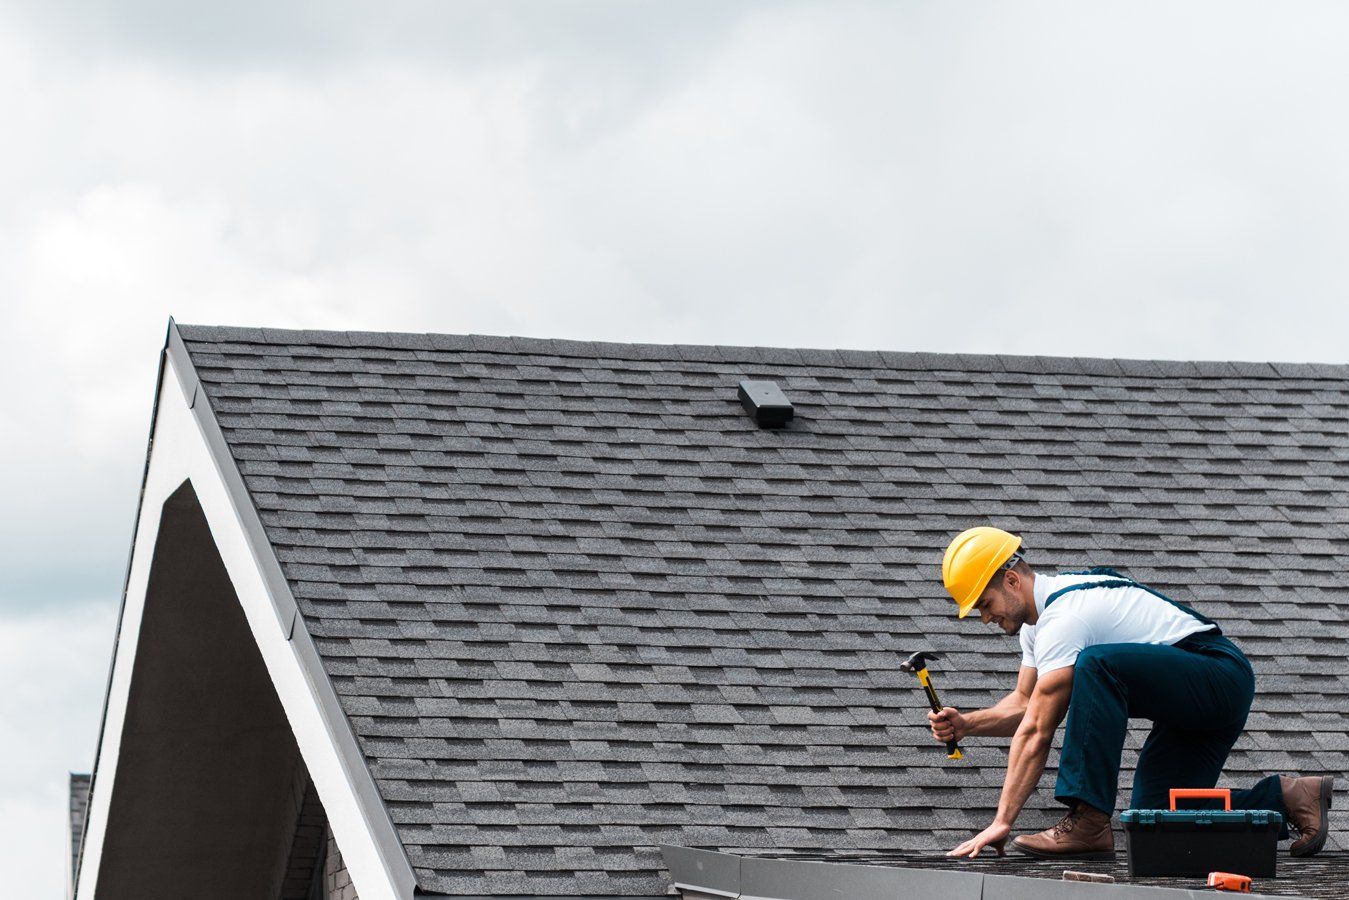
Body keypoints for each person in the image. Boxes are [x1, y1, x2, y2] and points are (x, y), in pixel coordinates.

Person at [933, 526, 1335, 860]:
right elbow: (1024, 704)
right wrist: (969, 724)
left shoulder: (1064, 618)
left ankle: (1089, 820)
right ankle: (1288, 797)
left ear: (1012, 579)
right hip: (1192, 697)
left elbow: (1039, 727)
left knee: (1095, 664)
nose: (986, 618)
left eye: (985, 604)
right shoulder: (1040, 625)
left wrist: (1003, 820)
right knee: (1153, 819)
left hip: (1217, 674)